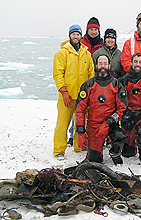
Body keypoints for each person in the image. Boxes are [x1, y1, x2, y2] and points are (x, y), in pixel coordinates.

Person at [75, 54, 128, 165]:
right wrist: (80, 132)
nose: (102, 66)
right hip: (93, 125)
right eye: (100, 64)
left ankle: (115, 153)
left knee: (119, 136)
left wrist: (109, 122)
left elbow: (122, 108)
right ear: (96, 65)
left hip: (111, 124)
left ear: (109, 66)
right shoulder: (88, 85)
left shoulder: (116, 84)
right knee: (95, 161)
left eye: (105, 64)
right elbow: (80, 109)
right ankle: (95, 151)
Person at [52, 24, 94, 160]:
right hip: (67, 96)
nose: (76, 36)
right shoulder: (62, 53)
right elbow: (58, 74)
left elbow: (91, 75)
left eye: (78, 34)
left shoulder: (86, 54)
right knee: (62, 123)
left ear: (81, 36)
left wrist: (88, 93)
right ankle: (59, 150)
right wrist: (63, 92)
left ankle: (78, 146)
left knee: (80, 122)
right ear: (69, 35)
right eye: (73, 34)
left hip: (81, 96)